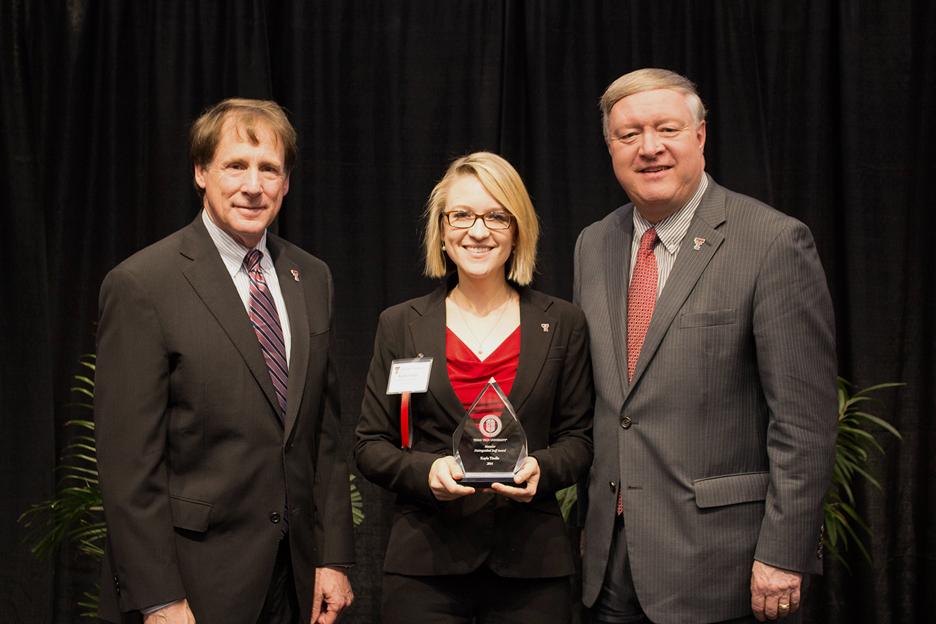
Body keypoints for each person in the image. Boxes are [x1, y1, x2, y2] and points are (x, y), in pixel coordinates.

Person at [575, 69, 838, 624]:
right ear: (610, 147)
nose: (649, 148)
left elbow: (804, 420)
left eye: (666, 128)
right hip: (610, 564)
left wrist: (784, 553)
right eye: (629, 135)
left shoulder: (772, 242)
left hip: (725, 567)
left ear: (699, 136)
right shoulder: (594, 244)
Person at [95, 98, 354, 624]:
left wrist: (333, 557)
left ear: (285, 183)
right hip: (193, 585)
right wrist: (159, 598)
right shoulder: (143, 284)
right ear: (201, 172)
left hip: (295, 580)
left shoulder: (312, 277)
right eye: (236, 165)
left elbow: (324, 438)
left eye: (269, 169)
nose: (253, 185)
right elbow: (129, 468)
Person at [355, 152, 594, 623]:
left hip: (532, 568)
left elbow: (580, 441)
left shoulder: (562, 323)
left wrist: (539, 469)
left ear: (517, 230)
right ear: (442, 231)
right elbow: (369, 445)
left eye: (496, 216)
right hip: (424, 565)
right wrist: (428, 472)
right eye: (461, 215)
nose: (478, 230)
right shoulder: (401, 324)